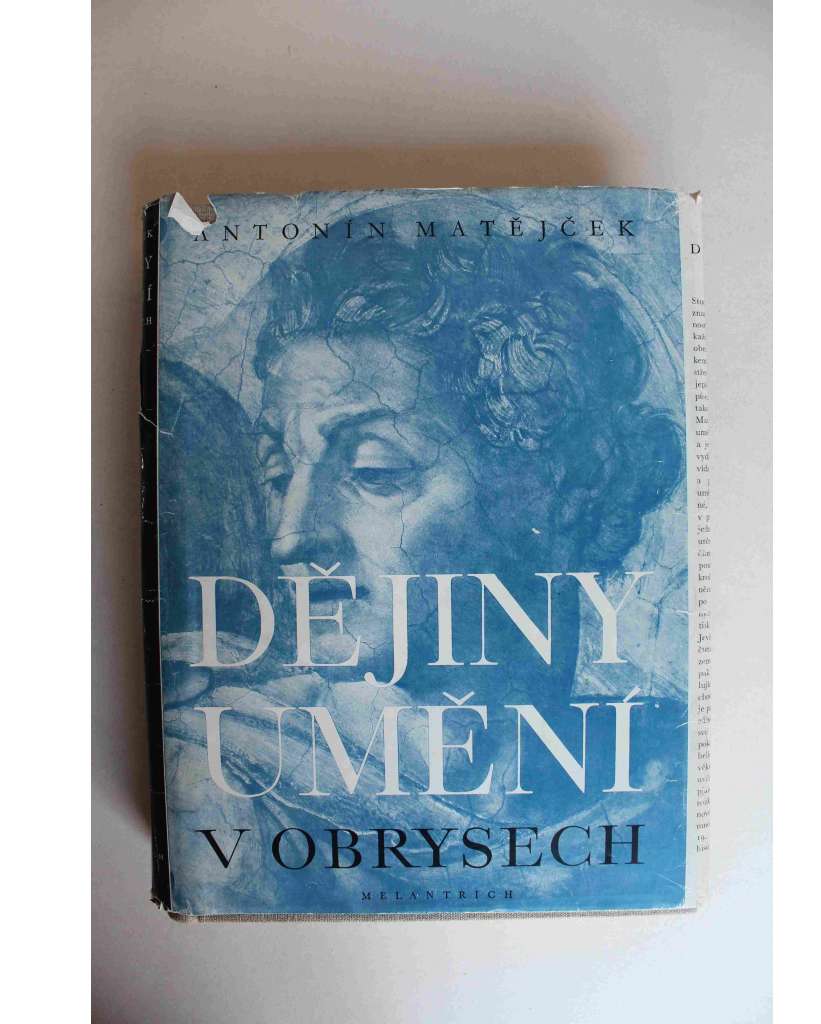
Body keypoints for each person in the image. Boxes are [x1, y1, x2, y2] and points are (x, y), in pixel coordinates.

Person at [161, 200, 688, 913]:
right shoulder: (222, 780)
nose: (290, 535)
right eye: (277, 475)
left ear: (563, 489)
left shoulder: (665, 776)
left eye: (374, 471)